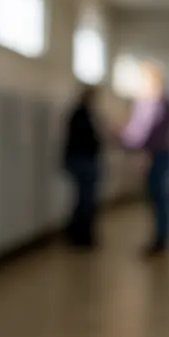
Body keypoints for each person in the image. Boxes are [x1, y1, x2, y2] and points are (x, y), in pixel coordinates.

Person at [120, 61, 169, 256]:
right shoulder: (161, 102)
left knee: (159, 198)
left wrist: (123, 136)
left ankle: (161, 239)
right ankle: (160, 238)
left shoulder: (155, 103)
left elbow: (143, 134)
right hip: (157, 154)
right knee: (159, 199)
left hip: (157, 155)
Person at [62, 85, 103, 248]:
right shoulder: (81, 114)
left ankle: (80, 233)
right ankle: (81, 235)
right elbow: (85, 140)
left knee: (84, 199)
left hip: (83, 160)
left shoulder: (83, 114)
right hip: (82, 161)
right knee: (85, 200)